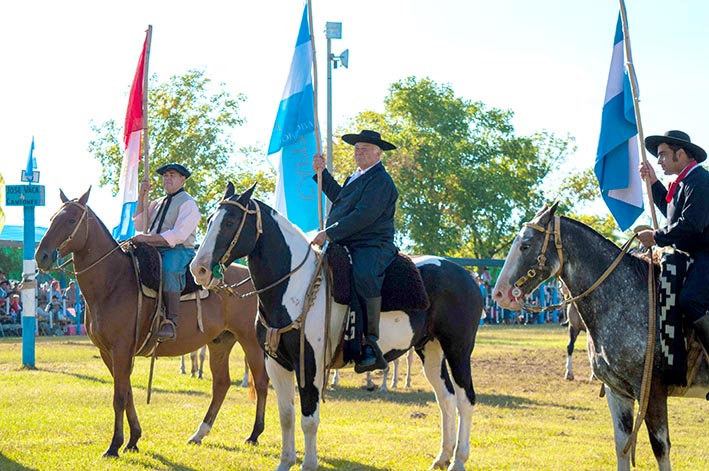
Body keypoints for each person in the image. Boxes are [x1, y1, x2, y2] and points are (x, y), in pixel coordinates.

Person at [312, 129, 398, 373]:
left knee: (363, 274)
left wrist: (330, 233)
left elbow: (364, 215)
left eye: (365, 148)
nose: (358, 151)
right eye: (356, 147)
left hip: (372, 244)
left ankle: (369, 343)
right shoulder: (357, 176)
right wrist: (321, 174)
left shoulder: (381, 180)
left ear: (378, 154)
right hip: (347, 241)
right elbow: (341, 199)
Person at [638, 130, 709, 355]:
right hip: (692, 256)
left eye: (662, 155)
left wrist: (656, 237)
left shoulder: (700, 181)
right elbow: (672, 216)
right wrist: (653, 181)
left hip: (706, 254)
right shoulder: (685, 182)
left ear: (680, 153)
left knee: (690, 301)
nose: (659, 161)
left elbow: (691, 223)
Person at [132, 163, 201, 341]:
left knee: (169, 269)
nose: (167, 178)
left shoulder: (188, 203)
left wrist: (146, 239)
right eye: (165, 175)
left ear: (183, 179)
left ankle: (171, 322)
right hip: (152, 247)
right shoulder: (157, 203)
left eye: (172, 175)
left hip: (178, 250)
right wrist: (142, 196)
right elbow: (139, 224)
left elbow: (178, 235)